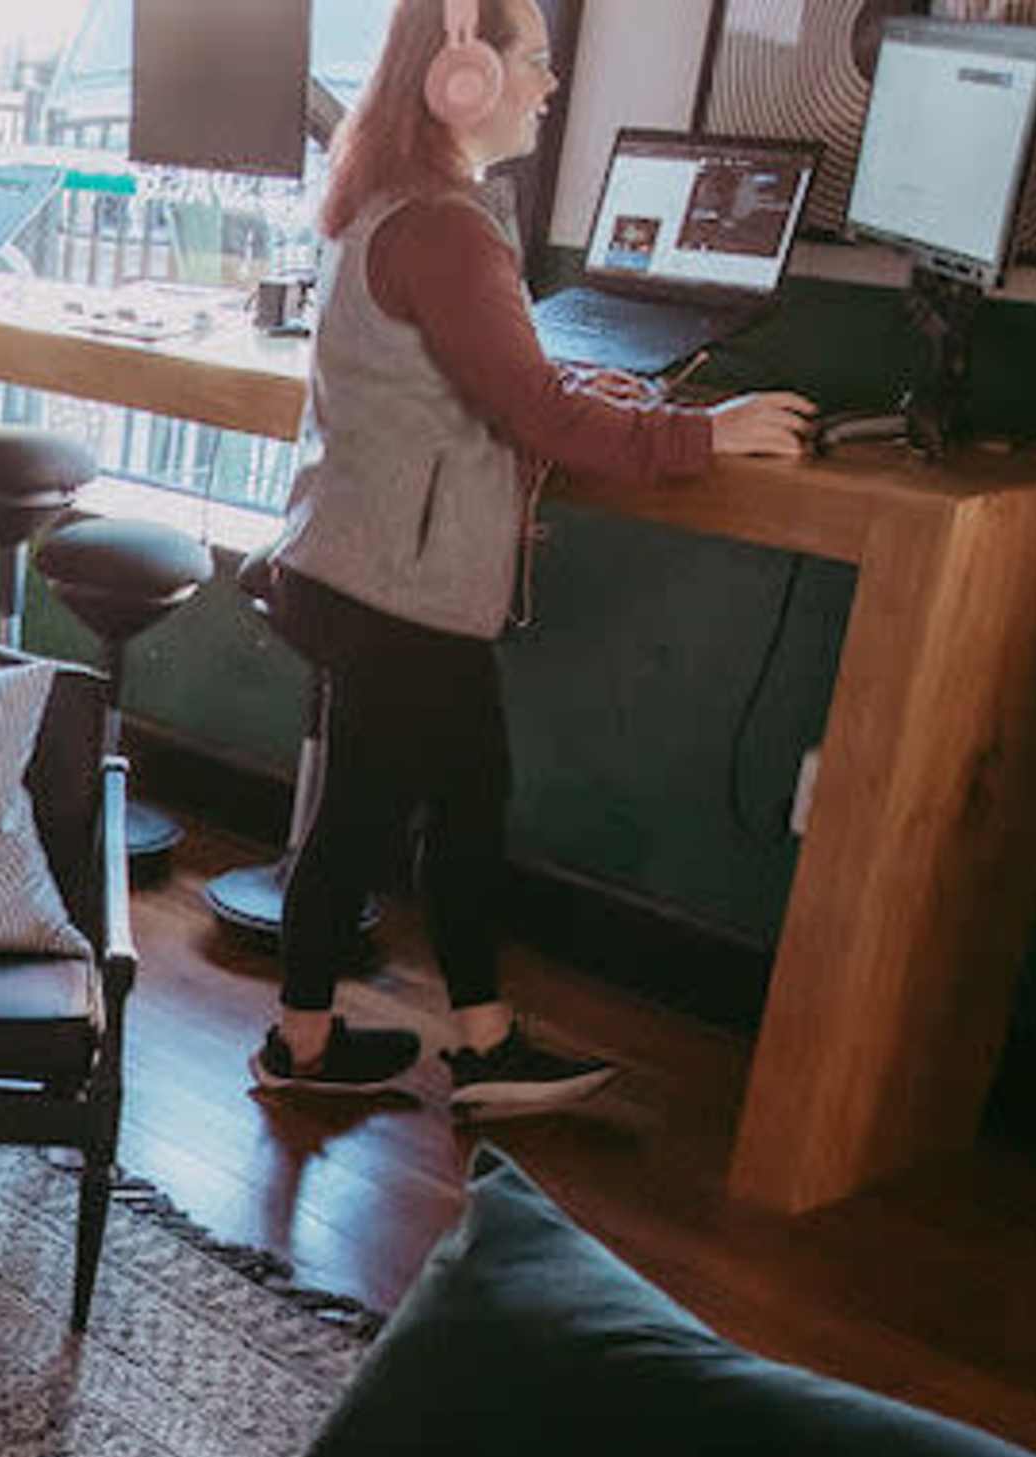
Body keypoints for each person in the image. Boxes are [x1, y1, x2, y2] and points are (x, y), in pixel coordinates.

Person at [250, 0, 810, 1115]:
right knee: (443, 806)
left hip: (347, 562)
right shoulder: (448, 229)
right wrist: (706, 433)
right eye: (537, 63)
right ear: (460, 77)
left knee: (391, 806)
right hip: (399, 589)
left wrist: (575, 393)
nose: (551, 88)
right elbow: (540, 418)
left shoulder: (388, 199)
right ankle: (468, 1048)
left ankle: (326, 1044)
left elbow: (493, 387)